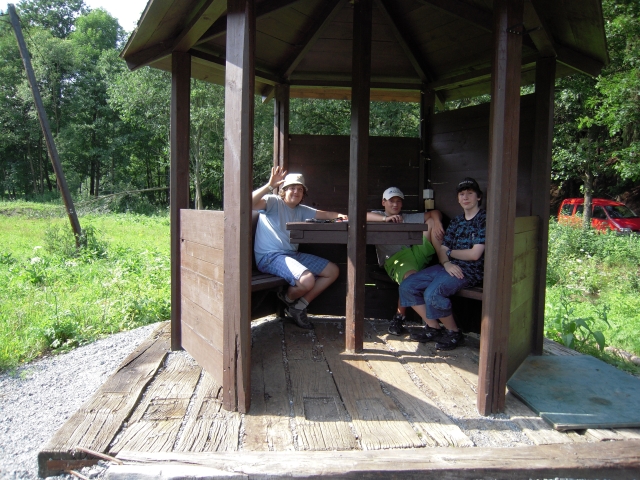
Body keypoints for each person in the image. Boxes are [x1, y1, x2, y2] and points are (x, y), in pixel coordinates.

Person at [252, 166, 347, 329]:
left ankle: (298, 306)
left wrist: (340, 217)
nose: (296, 192)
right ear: (284, 190)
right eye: (292, 188)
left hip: (291, 255)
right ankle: (287, 299)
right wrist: (269, 186)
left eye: (300, 189)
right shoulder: (273, 202)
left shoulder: (302, 210)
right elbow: (248, 202)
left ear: (304, 194)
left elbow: (326, 215)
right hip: (269, 257)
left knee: (332, 271)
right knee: (307, 281)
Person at [398, 177, 486, 350]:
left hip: (469, 270)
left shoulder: (483, 219)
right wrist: (446, 263)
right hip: (448, 267)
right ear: (458, 198)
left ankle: (454, 333)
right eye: (462, 194)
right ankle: (434, 328)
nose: (465, 197)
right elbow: (443, 248)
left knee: (433, 293)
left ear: (478, 197)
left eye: (470, 193)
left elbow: (474, 254)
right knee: (407, 285)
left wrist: (450, 254)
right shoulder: (457, 221)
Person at [366, 187, 444, 335]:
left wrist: (438, 222)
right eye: (391, 201)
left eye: (398, 201)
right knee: (410, 280)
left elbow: (434, 213)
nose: (395, 204)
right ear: (383, 202)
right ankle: (411, 319)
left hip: (415, 253)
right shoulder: (378, 216)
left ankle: (444, 261)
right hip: (396, 259)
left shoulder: (406, 217)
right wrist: (385, 219)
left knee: (431, 222)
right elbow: (361, 216)